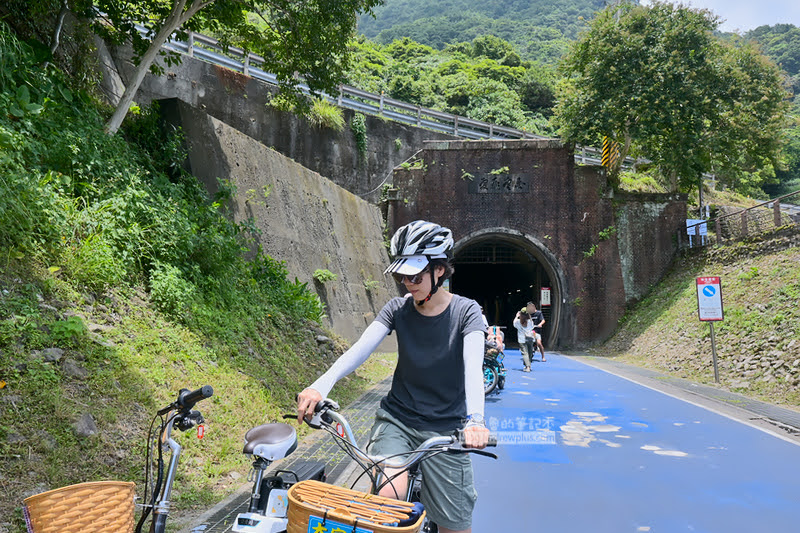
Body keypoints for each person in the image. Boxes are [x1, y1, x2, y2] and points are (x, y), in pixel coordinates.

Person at [296, 220, 490, 533]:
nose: (407, 283)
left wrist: (476, 420)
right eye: (401, 275)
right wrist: (319, 386)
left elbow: (472, 367)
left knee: (456, 526)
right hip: (397, 420)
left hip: (447, 430)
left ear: (439, 270)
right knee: (387, 500)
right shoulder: (397, 309)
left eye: (414, 275)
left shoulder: (466, 312)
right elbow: (359, 351)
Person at [513, 307, 535, 372]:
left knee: (525, 353)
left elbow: (514, 324)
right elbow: (532, 326)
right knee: (530, 352)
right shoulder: (530, 321)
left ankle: (527, 366)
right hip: (530, 338)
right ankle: (528, 365)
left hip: (522, 339)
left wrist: (517, 316)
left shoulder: (518, 322)